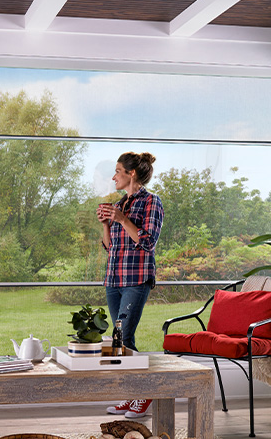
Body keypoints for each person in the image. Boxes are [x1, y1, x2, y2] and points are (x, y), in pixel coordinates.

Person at [97, 151, 164, 418]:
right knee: (122, 340)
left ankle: (144, 394)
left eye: (117, 171)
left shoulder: (151, 202)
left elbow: (147, 242)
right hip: (114, 279)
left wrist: (122, 220)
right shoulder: (119, 204)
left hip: (136, 280)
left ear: (131, 173)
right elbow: (109, 248)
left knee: (122, 335)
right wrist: (105, 224)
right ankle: (133, 394)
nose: (113, 176)